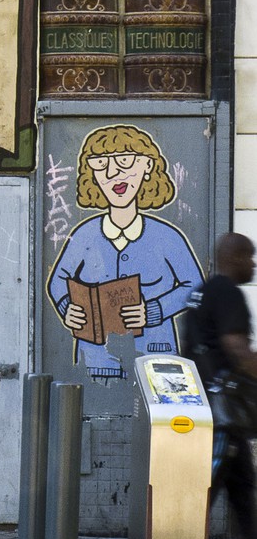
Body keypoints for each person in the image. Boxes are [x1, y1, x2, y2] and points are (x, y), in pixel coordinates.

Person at [47, 124, 203, 377]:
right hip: (97, 360)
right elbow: (58, 280)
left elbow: (194, 285)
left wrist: (153, 311)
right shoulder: (85, 235)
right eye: (101, 164)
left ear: (148, 166)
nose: (113, 173)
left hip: (156, 357)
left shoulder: (167, 237)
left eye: (125, 161)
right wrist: (67, 307)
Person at [182, 232, 257, 539]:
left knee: (241, 486)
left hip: (208, 407)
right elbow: (237, 350)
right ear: (236, 257)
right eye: (250, 256)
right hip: (222, 413)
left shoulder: (200, 293)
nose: (253, 264)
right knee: (206, 490)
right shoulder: (228, 293)